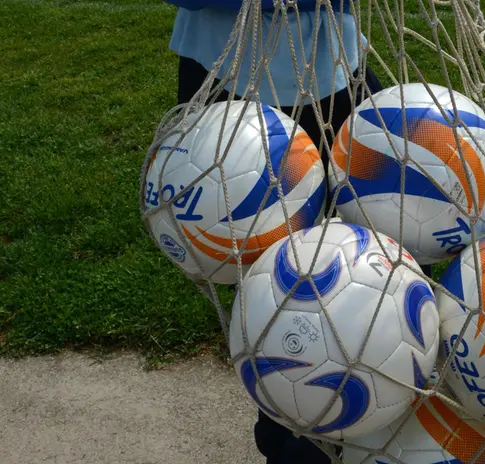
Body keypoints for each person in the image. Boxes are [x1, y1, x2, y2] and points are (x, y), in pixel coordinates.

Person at [164, 2, 380, 463]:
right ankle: (294, 439)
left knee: (381, 258)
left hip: (336, 67)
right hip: (229, 77)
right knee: (272, 281)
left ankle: (379, 407)